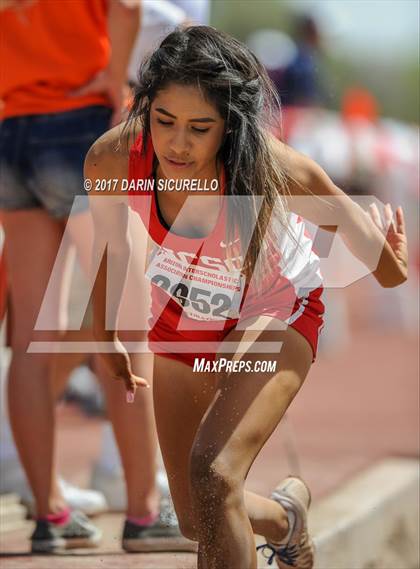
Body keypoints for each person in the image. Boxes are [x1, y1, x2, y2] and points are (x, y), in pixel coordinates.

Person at [85, 26, 408, 569]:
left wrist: (388, 251)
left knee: (214, 475)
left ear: (229, 127)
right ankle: (288, 519)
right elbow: (110, 249)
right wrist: (104, 334)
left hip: (275, 313)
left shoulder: (277, 168)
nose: (178, 144)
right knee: (193, 516)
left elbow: (390, 272)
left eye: (199, 128)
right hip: (184, 317)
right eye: (163, 120)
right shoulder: (112, 161)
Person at [0, 0, 193, 555]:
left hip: (12, 127)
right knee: (127, 321)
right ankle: (143, 512)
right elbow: (129, 6)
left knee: (31, 338)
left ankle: (50, 515)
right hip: (85, 120)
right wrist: (115, 85)